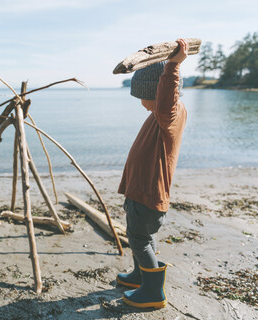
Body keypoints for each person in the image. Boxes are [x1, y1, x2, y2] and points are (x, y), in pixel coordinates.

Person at [116, 39, 189, 309]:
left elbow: (167, 96)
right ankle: (139, 276)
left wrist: (172, 66)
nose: (140, 104)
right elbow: (164, 98)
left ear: (156, 93)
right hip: (142, 190)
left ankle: (152, 293)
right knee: (141, 235)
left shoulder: (167, 113)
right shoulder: (161, 115)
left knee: (138, 238)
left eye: (142, 97)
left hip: (149, 192)